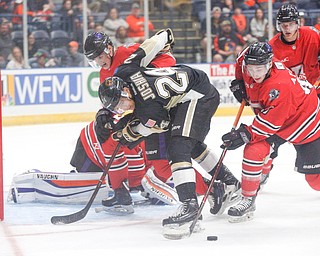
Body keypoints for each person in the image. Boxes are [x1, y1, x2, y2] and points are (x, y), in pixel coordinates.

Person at [98, 29, 240, 238]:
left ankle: (189, 206)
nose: (122, 109)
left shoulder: (147, 105)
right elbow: (145, 49)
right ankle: (228, 181)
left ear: (125, 91)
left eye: (120, 104)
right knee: (188, 142)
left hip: (199, 95)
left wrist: (129, 133)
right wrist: (164, 37)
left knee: (178, 146)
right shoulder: (124, 70)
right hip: (184, 94)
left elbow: (158, 124)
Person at [222, 42, 320, 223]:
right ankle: (248, 199)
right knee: (254, 150)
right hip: (279, 117)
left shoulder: (279, 86)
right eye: (251, 69)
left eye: (259, 69)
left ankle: (263, 168)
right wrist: (238, 81)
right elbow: (241, 57)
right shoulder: (247, 61)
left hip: (305, 120)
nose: (255, 74)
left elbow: (268, 125)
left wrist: (244, 133)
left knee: (315, 181)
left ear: (270, 64)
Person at [269, 4, 320, 95]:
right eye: (284, 25)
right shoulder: (272, 47)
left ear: (297, 23)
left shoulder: (312, 35)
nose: (287, 28)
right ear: (278, 25)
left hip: (316, 88)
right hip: (292, 94)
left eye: (291, 24)